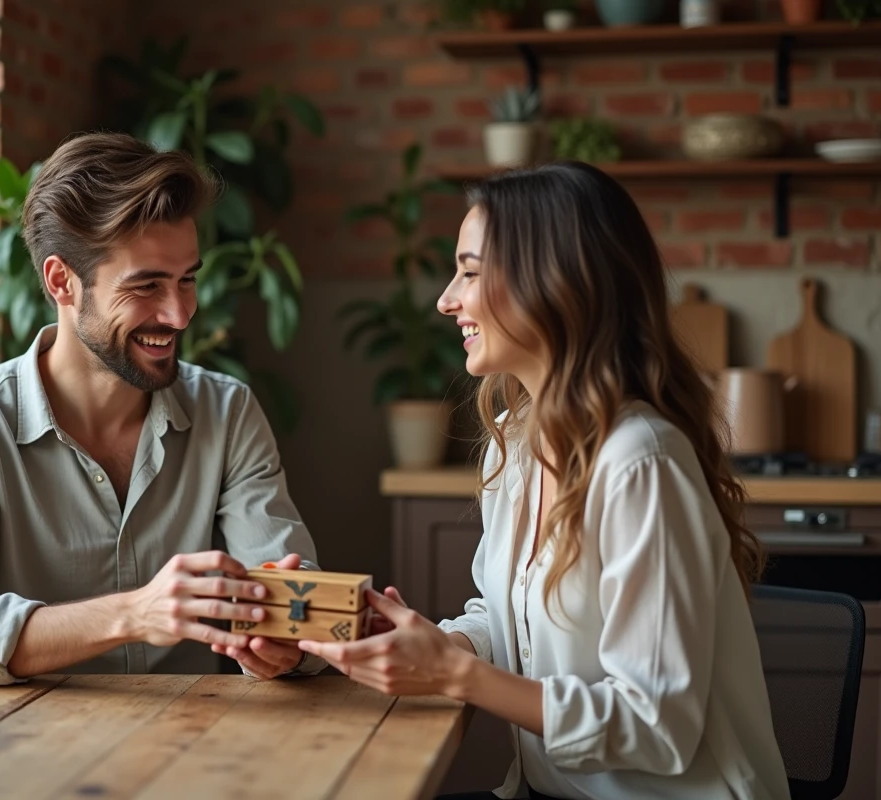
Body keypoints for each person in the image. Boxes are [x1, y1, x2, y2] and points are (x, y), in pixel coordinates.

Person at [299, 162, 790, 800]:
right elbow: (506, 623)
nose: (447, 299)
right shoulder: (517, 442)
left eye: (470, 272)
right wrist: (434, 643)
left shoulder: (641, 462)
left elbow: (658, 727)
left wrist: (454, 674)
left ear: (552, 284)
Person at [0, 132, 324, 686]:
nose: (178, 315)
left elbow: (298, 597)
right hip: (24, 751)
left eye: (187, 280)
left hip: (194, 746)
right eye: (146, 286)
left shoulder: (226, 412)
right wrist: (133, 614)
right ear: (63, 281)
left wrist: (290, 642)